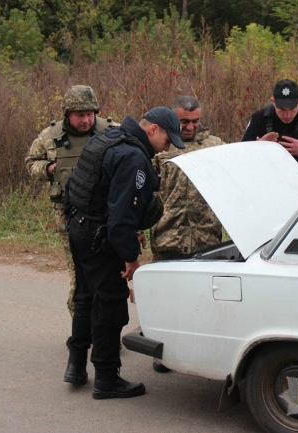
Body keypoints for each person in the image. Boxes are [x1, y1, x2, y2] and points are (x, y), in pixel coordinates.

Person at [63, 106, 184, 399]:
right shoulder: (133, 157)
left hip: (78, 226)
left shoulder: (108, 137)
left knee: (85, 297)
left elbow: (84, 187)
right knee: (110, 304)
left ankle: (76, 366)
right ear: (153, 129)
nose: (168, 147)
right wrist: (131, 258)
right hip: (100, 236)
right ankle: (106, 379)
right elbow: (120, 220)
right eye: (168, 139)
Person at [25, 85, 117, 316]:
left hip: (105, 215)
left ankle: (104, 327)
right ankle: (81, 324)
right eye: (80, 115)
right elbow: (31, 163)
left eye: (89, 114)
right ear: (67, 114)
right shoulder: (50, 137)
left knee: (109, 275)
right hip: (68, 215)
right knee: (79, 275)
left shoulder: (112, 131)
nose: (86, 120)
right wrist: (50, 169)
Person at [149, 96, 224, 373]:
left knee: (204, 298)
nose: (190, 127)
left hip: (206, 236)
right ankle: (162, 352)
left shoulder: (215, 146)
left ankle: (202, 351)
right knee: (166, 298)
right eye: (184, 122)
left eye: (195, 121)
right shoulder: (160, 147)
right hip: (168, 234)